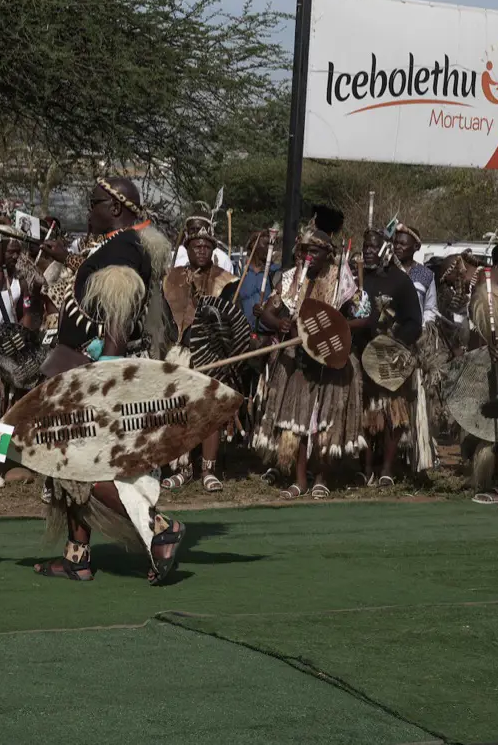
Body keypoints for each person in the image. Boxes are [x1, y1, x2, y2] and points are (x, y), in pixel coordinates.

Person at [32, 177, 186, 584]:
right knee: (70, 464)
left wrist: (104, 377)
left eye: (94, 202)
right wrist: (69, 260)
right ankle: (77, 555)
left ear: (116, 209)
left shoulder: (121, 249)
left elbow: (116, 317)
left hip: (93, 377)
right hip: (81, 370)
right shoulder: (128, 244)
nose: (88, 210)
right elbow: (96, 299)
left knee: (78, 465)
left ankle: (159, 528)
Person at [253, 206, 362, 499]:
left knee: (323, 424)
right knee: (298, 422)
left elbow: (363, 316)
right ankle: (299, 480)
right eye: (305, 251)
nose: (309, 257)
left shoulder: (342, 279)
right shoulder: (291, 278)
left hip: (331, 360)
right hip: (297, 360)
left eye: (316, 251)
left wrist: (333, 328)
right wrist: (281, 322)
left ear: (328, 254)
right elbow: (267, 314)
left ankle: (321, 478)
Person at [164, 214, 250, 492]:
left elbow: (234, 323)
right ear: (186, 250)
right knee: (180, 412)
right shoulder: (173, 278)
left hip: (213, 355)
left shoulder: (226, 281)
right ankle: (183, 467)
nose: (201, 251)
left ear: (213, 250)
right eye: (195, 246)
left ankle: (208, 470)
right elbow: (166, 317)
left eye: (206, 246)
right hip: (181, 352)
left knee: (210, 412)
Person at [353, 231, 424, 488]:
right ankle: (366, 468)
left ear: (384, 250)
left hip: (391, 357)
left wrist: (395, 341)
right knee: (365, 415)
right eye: (365, 246)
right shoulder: (356, 279)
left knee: (391, 413)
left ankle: (386, 469)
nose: (368, 251)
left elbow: (414, 321)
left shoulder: (400, 281)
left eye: (373, 247)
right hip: (360, 354)